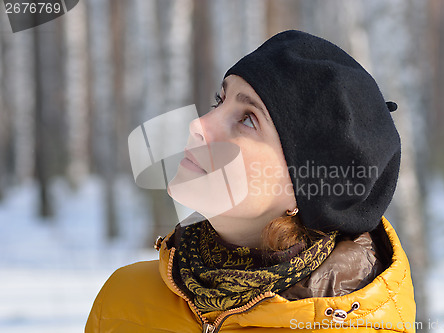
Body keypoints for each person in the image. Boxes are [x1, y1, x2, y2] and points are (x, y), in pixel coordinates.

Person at [86, 30, 416, 333]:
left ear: (305, 188)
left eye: (247, 119)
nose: (199, 124)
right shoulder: (124, 300)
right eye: (220, 100)